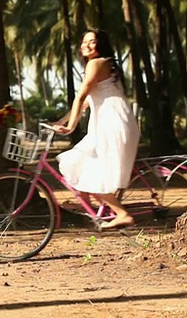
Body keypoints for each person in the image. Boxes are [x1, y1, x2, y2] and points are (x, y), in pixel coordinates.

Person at [51, 28, 140, 229]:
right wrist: (62, 121)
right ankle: (91, 212)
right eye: (84, 42)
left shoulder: (96, 63)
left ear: (100, 44)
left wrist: (72, 126)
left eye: (92, 41)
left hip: (113, 124)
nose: (87, 45)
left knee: (90, 175)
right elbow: (85, 103)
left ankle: (122, 214)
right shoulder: (105, 64)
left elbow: (81, 95)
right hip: (113, 122)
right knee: (76, 161)